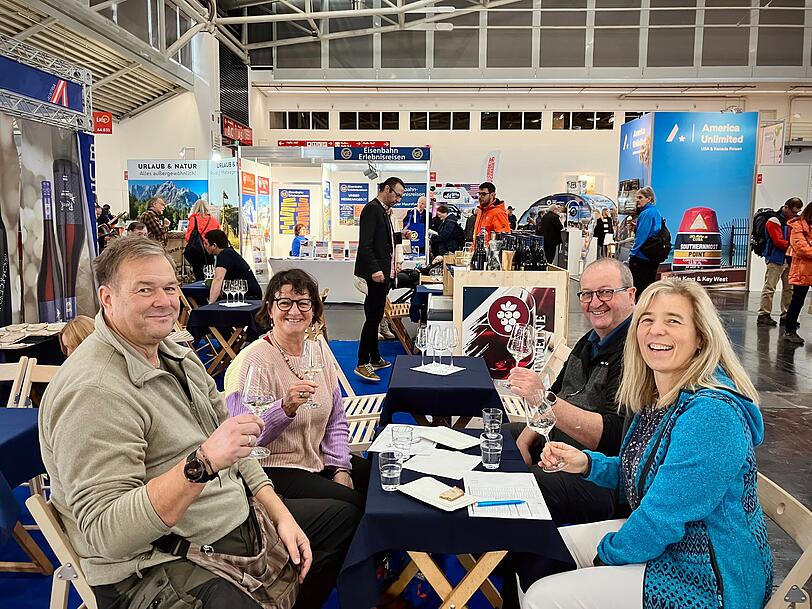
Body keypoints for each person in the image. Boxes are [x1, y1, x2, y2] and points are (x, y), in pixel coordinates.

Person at [38, 236, 339, 609]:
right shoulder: (93, 391)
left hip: (227, 516)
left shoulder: (176, 354)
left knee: (341, 522)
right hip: (157, 563)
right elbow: (107, 535)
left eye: (169, 288)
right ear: (107, 298)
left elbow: (234, 441)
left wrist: (279, 513)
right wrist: (202, 464)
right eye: (145, 289)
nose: (164, 301)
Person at [522, 277, 772, 609]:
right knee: (536, 545)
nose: (656, 330)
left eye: (673, 321)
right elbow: (640, 470)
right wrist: (586, 463)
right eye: (647, 320)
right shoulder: (660, 397)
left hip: (709, 580)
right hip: (669, 548)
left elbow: (659, 519)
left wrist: (605, 560)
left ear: (701, 338)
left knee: (543, 597)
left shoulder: (712, 416)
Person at [224, 269, 371, 513]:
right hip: (270, 468)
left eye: (303, 303)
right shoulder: (252, 361)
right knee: (351, 505)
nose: (294, 311)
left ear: (313, 310)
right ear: (270, 309)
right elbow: (243, 440)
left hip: (315, 458)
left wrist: (340, 468)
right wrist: (285, 408)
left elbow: (336, 420)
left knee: (378, 479)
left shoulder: (318, 351)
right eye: (285, 303)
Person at [508, 258, 636, 525]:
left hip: (599, 476)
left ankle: (521, 561)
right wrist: (524, 440)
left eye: (605, 292)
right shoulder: (589, 341)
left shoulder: (635, 353)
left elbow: (613, 436)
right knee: (496, 438)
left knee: (516, 488)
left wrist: (541, 398)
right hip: (557, 448)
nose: (594, 302)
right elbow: (557, 395)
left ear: (631, 295)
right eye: (587, 294)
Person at [354, 177, 404, 382]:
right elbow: (365, 244)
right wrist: (375, 269)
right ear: (386, 189)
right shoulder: (372, 209)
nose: (399, 199)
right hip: (375, 275)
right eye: (397, 194)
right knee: (372, 319)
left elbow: (385, 241)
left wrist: (401, 235)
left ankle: (374, 357)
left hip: (384, 273)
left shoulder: (383, 211)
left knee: (375, 318)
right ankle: (362, 363)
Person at [758, 197, 803, 327]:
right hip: (775, 259)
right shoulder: (774, 220)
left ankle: (787, 316)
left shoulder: (793, 221)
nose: (795, 215)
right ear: (786, 207)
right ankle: (764, 315)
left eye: (797, 212)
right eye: (793, 212)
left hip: (789, 260)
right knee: (769, 287)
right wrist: (797, 247)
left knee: (789, 289)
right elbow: (778, 241)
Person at [203, 229, 262, 304]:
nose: (204, 246)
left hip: (248, 297)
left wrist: (210, 304)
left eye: (206, 244)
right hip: (249, 294)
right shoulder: (229, 252)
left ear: (214, 245)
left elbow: (218, 279)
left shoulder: (225, 255)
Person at [782, 200, 812, 344]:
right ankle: (790, 331)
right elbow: (801, 248)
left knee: (797, 301)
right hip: (802, 270)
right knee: (797, 301)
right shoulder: (797, 226)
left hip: (806, 268)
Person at [628, 186, 663, 296]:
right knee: (649, 288)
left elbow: (641, 236)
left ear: (649, 198)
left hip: (641, 257)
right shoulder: (655, 212)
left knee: (638, 289)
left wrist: (632, 253)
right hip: (653, 256)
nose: (637, 200)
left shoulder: (646, 213)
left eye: (640, 197)